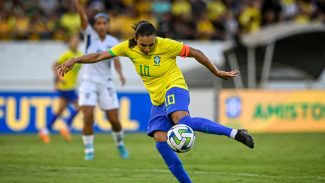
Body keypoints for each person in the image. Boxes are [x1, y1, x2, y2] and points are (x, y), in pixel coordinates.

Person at [56, 20, 255, 182]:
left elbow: (195, 52)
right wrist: (75, 59)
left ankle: (235, 133)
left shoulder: (166, 45)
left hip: (175, 87)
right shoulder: (128, 47)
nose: (148, 49)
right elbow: (100, 55)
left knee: (181, 120)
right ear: (136, 39)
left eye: (151, 45)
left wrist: (216, 71)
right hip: (158, 100)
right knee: (160, 141)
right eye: (143, 45)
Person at [74, 0, 128, 160]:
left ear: (108, 25)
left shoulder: (112, 41)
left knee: (114, 119)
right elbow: (82, 17)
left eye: (104, 23)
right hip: (88, 82)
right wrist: (79, 5)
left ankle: (119, 143)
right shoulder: (89, 34)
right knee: (88, 115)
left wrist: (120, 74)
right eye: (98, 23)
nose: (101, 26)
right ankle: (88, 149)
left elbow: (116, 59)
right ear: (95, 25)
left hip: (106, 83)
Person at [39, 34, 82, 144]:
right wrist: (59, 78)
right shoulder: (66, 55)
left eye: (77, 41)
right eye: (73, 41)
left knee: (60, 110)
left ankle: (45, 130)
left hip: (70, 86)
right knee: (79, 106)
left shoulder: (80, 54)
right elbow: (54, 65)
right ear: (69, 43)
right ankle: (66, 126)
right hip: (66, 86)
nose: (75, 43)